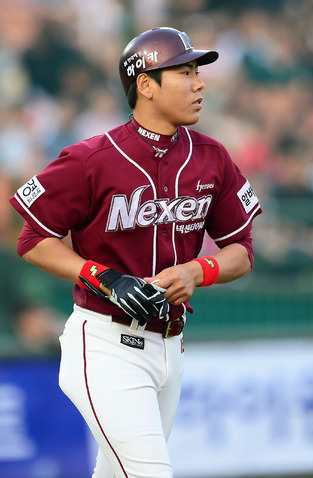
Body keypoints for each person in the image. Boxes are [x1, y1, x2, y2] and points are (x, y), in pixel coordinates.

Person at [9, 26, 262, 477]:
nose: (200, 84)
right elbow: (32, 240)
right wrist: (103, 277)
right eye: (185, 73)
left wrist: (198, 271)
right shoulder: (92, 157)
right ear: (145, 84)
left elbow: (241, 251)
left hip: (171, 347)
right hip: (106, 345)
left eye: (197, 72)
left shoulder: (212, 156)